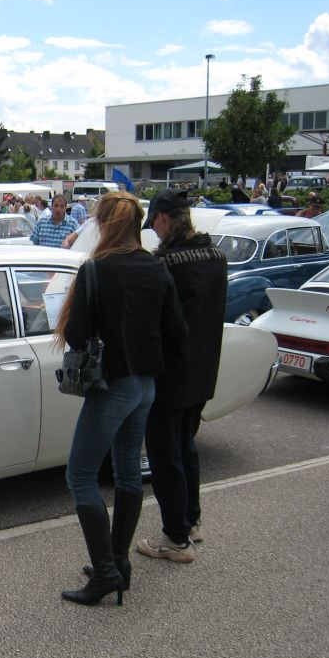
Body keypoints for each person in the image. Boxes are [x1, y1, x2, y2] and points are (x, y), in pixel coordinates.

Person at [57, 192, 187, 606]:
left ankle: (106, 572)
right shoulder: (156, 266)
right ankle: (117, 561)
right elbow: (177, 332)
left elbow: (77, 335)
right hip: (145, 385)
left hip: (113, 385)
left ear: (105, 225)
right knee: (128, 472)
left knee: (80, 476)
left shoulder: (96, 269)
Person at [136, 189, 228, 564]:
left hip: (169, 373)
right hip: (203, 370)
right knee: (186, 447)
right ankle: (191, 521)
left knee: (164, 455)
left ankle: (175, 538)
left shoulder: (165, 263)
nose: (155, 233)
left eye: (155, 226)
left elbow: (152, 321)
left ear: (162, 218)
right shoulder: (217, 256)